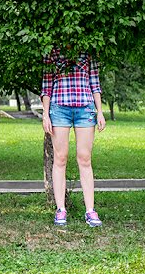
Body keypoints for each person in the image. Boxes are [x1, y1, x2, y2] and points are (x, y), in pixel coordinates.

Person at [40, 47, 106, 227]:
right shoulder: (52, 51)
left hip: (85, 108)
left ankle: (90, 211)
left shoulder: (87, 50)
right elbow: (46, 85)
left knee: (85, 159)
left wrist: (100, 112)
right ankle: (60, 209)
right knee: (60, 158)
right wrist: (45, 114)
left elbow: (95, 82)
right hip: (59, 108)